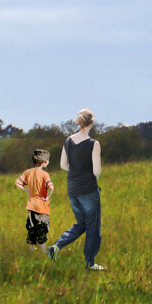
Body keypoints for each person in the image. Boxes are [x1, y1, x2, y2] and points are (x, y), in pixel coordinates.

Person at [46, 108, 107, 271]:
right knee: (93, 227)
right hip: (89, 190)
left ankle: (56, 247)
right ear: (92, 123)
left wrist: (76, 173)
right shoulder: (94, 144)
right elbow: (97, 171)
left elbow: (62, 165)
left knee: (82, 224)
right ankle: (90, 263)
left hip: (72, 189)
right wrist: (93, 178)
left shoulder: (68, 141)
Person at [14, 149, 53, 250]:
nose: (48, 162)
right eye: (47, 160)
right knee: (42, 226)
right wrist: (48, 196)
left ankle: (31, 247)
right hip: (42, 204)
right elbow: (51, 187)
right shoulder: (45, 174)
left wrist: (27, 190)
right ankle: (43, 249)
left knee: (31, 225)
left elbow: (17, 182)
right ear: (43, 162)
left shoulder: (28, 172)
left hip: (31, 204)